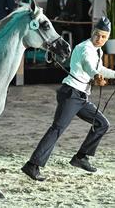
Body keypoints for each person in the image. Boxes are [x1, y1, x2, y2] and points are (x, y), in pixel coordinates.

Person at [21, 16, 114, 181]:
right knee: (57, 129)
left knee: (102, 124)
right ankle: (32, 165)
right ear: (92, 33)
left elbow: (99, 68)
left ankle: (80, 157)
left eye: (104, 37)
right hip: (71, 94)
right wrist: (96, 76)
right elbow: (88, 66)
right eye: (97, 35)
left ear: (107, 38)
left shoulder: (97, 50)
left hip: (81, 97)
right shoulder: (85, 48)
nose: (100, 39)